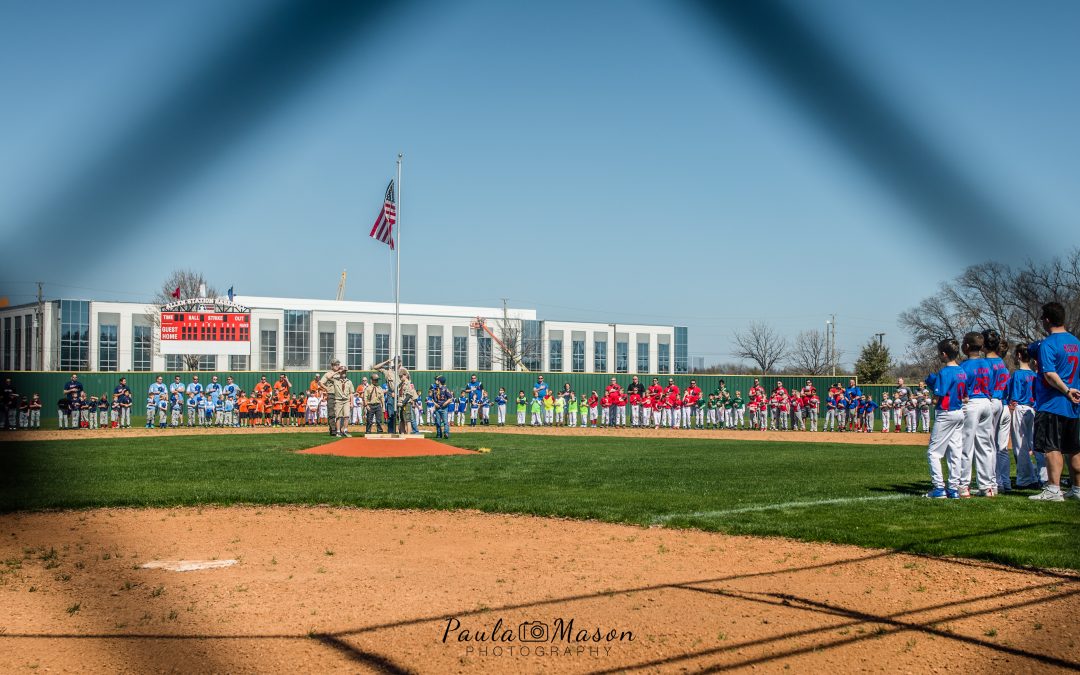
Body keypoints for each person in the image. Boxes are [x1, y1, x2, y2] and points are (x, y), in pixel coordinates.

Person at [1027, 302, 1080, 501]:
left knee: (1052, 447)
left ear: (1047, 320)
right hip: (1074, 405)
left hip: (1053, 403)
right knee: (1074, 448)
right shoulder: (1076, 342)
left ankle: (1053, 489)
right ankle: (1077, 489)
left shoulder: (1048, 343)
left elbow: (1049, 374)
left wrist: (1066, 391)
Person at [924, 338, 968, 499]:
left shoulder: (944, 372)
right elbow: (965, 398)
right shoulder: (962, 371)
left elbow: (936, 399)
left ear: (944, 354)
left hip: (946, 413)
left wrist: (929, 396)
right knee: (955, 452)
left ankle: (939, 488)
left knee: (934, 453)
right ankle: (954, 489)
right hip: (959, 412)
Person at [959, 331, 996, 498]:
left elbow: (960, 390)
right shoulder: (987, 364)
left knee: (965, 446)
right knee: (985, 446)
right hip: (986, 403)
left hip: (972, 403)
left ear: (966, 347)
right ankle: (986, 486)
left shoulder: (964, 366)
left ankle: (963, 486)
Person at [320, 360, 354, 437]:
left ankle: (341, 430)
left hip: (340, 395)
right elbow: (321, 383)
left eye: (338, 364)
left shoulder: (341, 373)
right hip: (332, 394)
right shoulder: (328, 373)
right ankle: (333, 430)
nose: (337, 366)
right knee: (332, 413)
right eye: (335, 365)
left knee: (342, 414)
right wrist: (327, 389)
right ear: (332, 366)